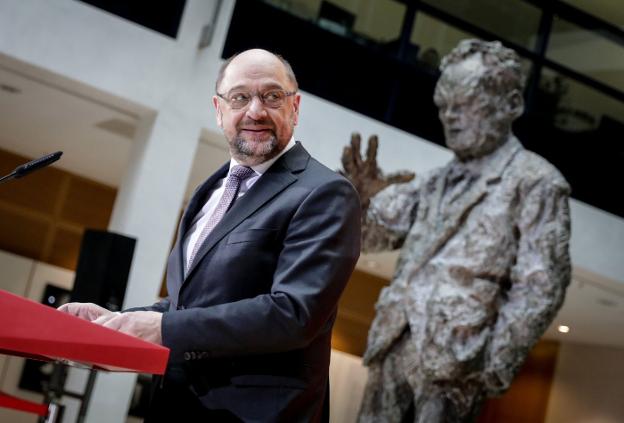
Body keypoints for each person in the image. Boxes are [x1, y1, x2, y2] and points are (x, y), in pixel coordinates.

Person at [59, 49, 361, 422]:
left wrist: (163, 328)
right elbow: (190, 306)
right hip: (177, 407)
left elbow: (293, 313)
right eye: (239, 97)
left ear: (294, 108)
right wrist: (117, 323)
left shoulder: (325, 193)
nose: (255, 111)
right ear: (219, 111)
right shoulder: (209, 190)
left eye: (271, 96)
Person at [342, 40, 571, 422]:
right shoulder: (434, 181)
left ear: (511, 104)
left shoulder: (536, 183)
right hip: (395, 345)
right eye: (444, 106)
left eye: (465, 104)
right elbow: (372, 239)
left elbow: (541, 288)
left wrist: (487, 367)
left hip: (458, 365)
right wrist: (359, 203)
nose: (451, 116)